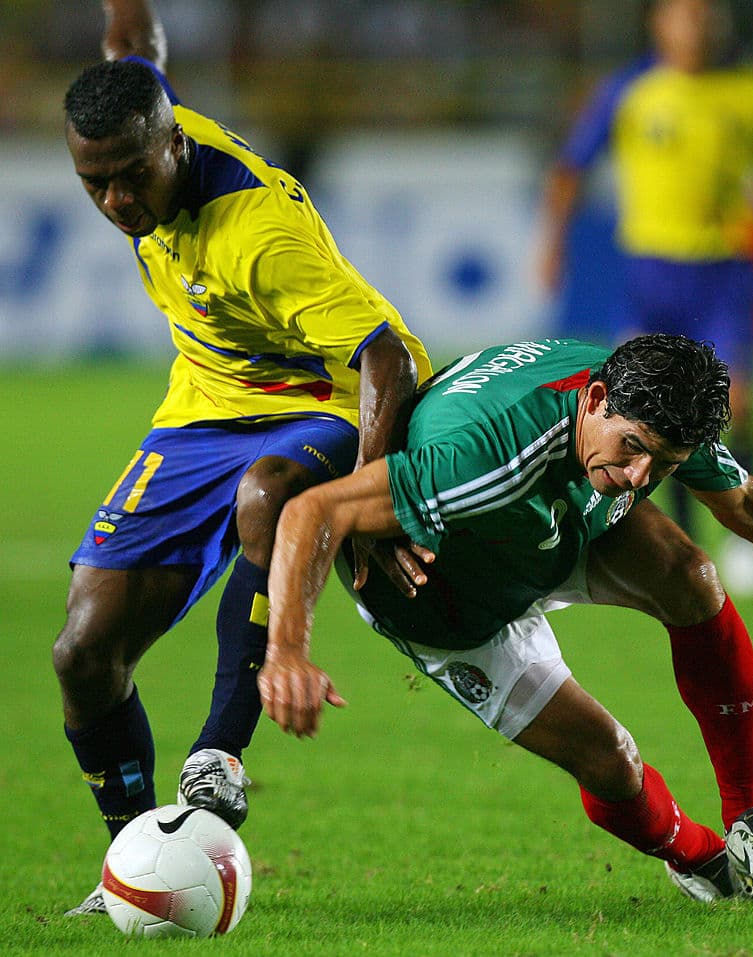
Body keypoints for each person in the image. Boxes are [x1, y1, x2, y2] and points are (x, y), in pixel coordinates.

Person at [258, 334, 753, 904]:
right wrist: (288, 649)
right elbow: (312, 510)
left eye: (662, 464)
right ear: (596, 397)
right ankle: (702, 858)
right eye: (633, 449)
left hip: (557, 524)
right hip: (448, 595)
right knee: (613, 760)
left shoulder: (651, 406)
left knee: (693, 575)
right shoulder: (481, 458)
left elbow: (744, 500)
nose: (641, 477)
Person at [56, 0, 432, 916]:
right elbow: (132, 48)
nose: (116, 203)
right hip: (202, 410)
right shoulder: (142, 110)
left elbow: (387, 356)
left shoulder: (258, 234)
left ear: (174, 145)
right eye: (94, 183)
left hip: (322, 402)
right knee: (82, 653)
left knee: (268, 493)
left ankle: (218, 754)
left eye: (131, 179)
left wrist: (364, 506)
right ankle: (137, 870)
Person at [537, 0, 753, 596]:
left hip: (726, 270)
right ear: (661, 23)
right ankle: (685, 544)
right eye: (686, 15)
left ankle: (746, 542)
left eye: (708, 16)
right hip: (650, 272)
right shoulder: (628, 90)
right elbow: (571, 166)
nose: (699, 27)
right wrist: (552, 245)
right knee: (649, 413)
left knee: (740, 400)